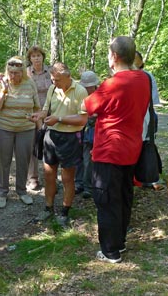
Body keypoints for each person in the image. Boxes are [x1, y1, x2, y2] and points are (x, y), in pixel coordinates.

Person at [82, 36, 150, 263]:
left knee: (107, 200)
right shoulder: (143, 79)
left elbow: (88, 106)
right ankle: (119, 243)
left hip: (109, 151)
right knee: (123, 196)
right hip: (131, 149)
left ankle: (110, 251)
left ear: (114, 57)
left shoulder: (113, 83)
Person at [32, 62, 88, 227]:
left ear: (68, 77)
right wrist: (39, 115)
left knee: (67, 178)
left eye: (56, 80)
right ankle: (48, 208)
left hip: (70, 138)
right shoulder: (52, 89)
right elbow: (47, 110)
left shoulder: (80, 91)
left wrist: (60, 119)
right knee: (49, 175)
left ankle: (64, 212)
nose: (53, 83)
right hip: (51, 136)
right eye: (52, 79)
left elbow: (83, 119)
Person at [0, 56, 40, 208]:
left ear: (23, 72)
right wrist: (4, 91)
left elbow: (37, 107)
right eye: (11, 72)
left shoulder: (30, 83)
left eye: (17, 73)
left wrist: (39, 125)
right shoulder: (1, 83)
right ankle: (2, 192)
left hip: (26, 129)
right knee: (3, 161)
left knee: (23, 160)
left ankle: (22, 191)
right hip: (4, 128)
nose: (13, 76)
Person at [133, 51, 162, 189]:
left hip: (145, 117)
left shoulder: (147, 77)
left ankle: (144, 176)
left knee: (145, 148)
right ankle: (138, 178)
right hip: (141, 118)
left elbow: (151, 102)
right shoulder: (145, 76)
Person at [26, 46, 52, 190]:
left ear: (43, 57)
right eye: (33, 56)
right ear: (30, 59)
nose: (36, 58)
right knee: (33, 146)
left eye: (38, 55)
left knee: (50, 145)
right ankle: (33, 178)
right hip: (33, 115)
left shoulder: (51, 72)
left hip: (50, 113)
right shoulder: (26, 73)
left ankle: (50, 177)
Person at [78, 71, 100, 199]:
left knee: (89, 161)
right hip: (79, 130)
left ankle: (88, 187)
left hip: (92, 133)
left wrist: (92, 116)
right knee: (78, 159)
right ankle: (79, 183)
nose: (87, 88)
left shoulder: (100, 95)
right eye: (85, 86)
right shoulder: (80, 94)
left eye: (89, 86)